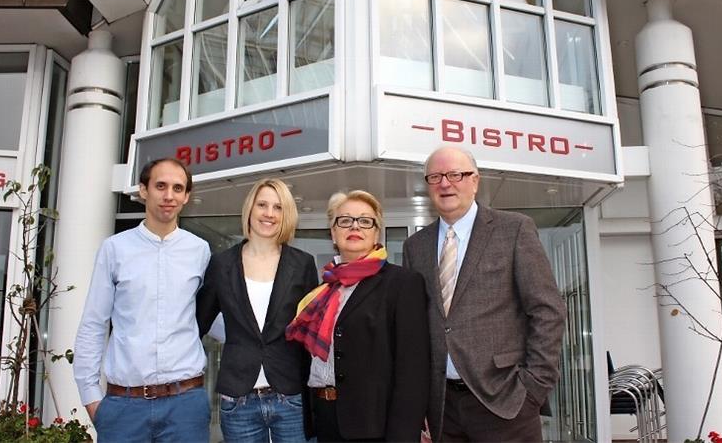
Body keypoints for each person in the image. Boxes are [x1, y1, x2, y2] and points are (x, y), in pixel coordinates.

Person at [402, 146, 566, 443]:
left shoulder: (514, 229)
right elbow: (415, 329)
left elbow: (547, 310)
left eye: (455, 174)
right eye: (435, 176)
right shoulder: (415, 246)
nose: (445, 183)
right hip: (443, 408)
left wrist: (533, 387)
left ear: (475, 181)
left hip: (505, 401)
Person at [73, 158, 211, 442]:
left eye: (177, 188)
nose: (169, 195)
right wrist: (90, 397)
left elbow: (213, 316)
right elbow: (93, 324)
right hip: (124, 408)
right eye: (160, 186)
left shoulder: (200, 251)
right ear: (144, 190)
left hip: (185, 407)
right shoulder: (115, 249)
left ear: (186, 196)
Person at [286, 190, 430, 442]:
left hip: (375, 427)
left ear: (376, 232)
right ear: (333, 232)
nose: (355, 226)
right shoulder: (322, 291)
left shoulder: (402, 283)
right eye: (345, 220)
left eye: (365, 220)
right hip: (325, 420)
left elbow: (412, 370)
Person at [196, 178, 319, 442]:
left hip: (291, 396)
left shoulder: (303, 265)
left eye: (278, 207)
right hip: (238, 399)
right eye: (262, 205)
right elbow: (197, 324)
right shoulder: (221, 264)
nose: (269, 214)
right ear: (250, 209)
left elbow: (312, 333)